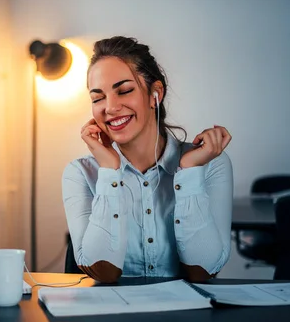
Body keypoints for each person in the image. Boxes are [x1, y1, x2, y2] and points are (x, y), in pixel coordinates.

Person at [62, 36, 233, 283]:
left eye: (125, 91)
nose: (110, 107)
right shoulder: (80, 172)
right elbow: (103, 273)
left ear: (156, 93)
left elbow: (204, 271)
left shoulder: (211, 163)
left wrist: (189, 170)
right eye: (98, 98)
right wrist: (110, 171)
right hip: (113, 317)